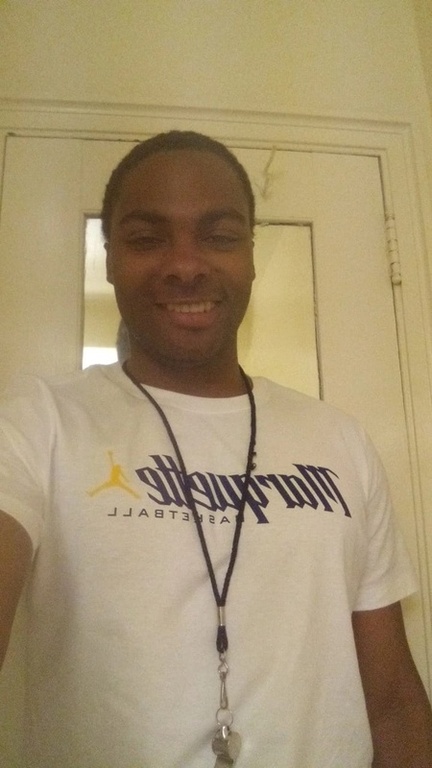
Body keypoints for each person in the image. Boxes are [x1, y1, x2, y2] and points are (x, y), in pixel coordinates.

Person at [0, 130, 431, 768]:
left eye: (220, 236)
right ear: (110, 257)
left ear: (251, 255)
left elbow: (392, 702)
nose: (185, 265)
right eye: (147, 238)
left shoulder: (339, 440)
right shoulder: (39, 423)